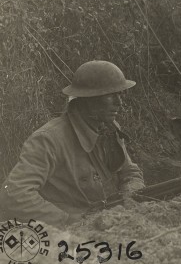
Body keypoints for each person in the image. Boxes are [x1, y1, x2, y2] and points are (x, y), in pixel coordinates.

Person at [0, 61, 144, 227]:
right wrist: (69, 221)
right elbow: (14, 193)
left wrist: (131, 197)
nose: (120, 103)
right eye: (111, 95)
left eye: (120, 95)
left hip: (103, 221)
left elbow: (130, 172)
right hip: (65, 234)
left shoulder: (108, 128)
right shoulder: (49, 140)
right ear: (89, 100)